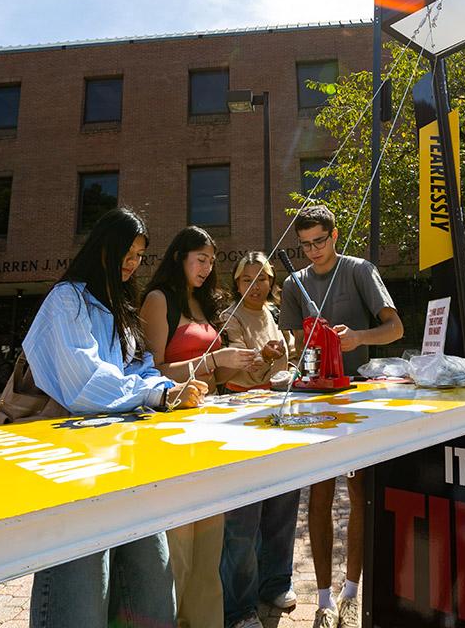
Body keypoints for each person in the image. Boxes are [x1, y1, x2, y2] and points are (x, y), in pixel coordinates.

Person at [23, 208, 206, 628]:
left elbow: (139, 367)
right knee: (81, 595)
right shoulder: (66, 298)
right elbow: (81, 381)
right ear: (102, 245)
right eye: (126, 250)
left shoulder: (120, 306)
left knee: (152, 590)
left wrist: (166, 388)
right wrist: (157, 392)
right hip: (70, 467)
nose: (132, 262)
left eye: (140, 255)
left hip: (125, 462)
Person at [279, 205, 403, 628]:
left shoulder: (359, 270)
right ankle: (325, 599)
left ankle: (352, 593)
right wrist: (286, 352)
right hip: (315, 400)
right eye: (305, 245)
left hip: (358, 397)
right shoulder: (293, 284)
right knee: (318, 495)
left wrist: (359, 338)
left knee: (360, 494)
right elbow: (295, 345)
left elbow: (395, 328)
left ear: (334, 235)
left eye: (319, 241)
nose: (313, 251)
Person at [140, 226, 256, 628]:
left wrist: (239, 361)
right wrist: (212, 360)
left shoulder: (205, 303)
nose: (207, 268)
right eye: (200, 259)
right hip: (170, 437)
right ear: (179, 257)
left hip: (210, 431)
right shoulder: (158, 300)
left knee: (209, 548)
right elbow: (151, 374)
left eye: (211, 261)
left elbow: (212, 366)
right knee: (178, 548)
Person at [219, 252, 300, 628]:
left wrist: (288, 354)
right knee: (244, 516)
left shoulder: (275, 314)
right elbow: (240, 369)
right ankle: (239, 607)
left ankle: (276, 583)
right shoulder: (229, 317)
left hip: (278, 413)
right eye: (247, 279)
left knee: (284, 501)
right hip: (242, 417)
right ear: (236, 283)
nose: (256, 286)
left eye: (262, 278)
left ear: (271, 281)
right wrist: (266, 358)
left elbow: (284, 365)